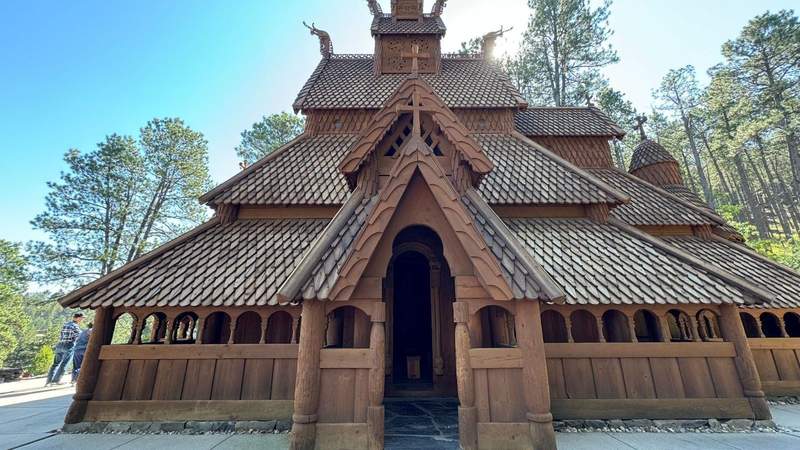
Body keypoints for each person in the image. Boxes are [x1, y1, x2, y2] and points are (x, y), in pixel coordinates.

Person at [45, 312, 84, 386]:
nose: (82, 320)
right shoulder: (75, 326)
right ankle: (56, 381)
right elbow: (80, 336)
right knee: (64, 364)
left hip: (59, 345)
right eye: (82, 318)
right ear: (78, 318)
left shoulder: (66, 324)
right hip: (68, 345)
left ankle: (48, 381)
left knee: (55, 363)